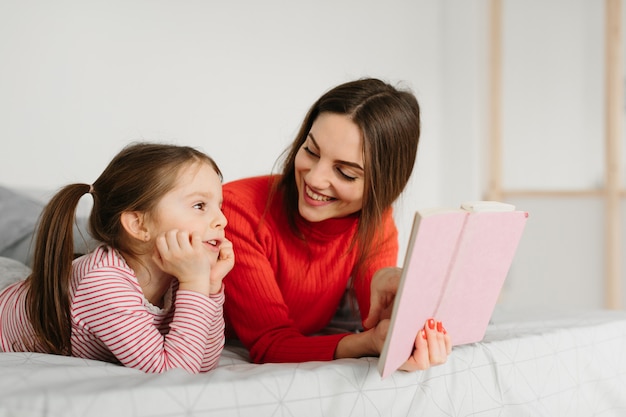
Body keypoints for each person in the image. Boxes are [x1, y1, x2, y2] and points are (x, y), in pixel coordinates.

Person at [222, 78, 451, 372]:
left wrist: (401, 323)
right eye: (311, 151)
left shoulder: (375, 218)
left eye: (345, 172)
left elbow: (379, 324)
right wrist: (368, 343)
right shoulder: (237, 209)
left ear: (383, 185)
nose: (314, 178)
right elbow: (270, 344)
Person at [0, 142, 234, 374]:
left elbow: (202, 361)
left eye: (219, 206)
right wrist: (195, 285)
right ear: (138, 225)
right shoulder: (103, 282)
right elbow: (175, 373)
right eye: (199, 205)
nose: (221, 220)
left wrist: (210, 286)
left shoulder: (178, 277)